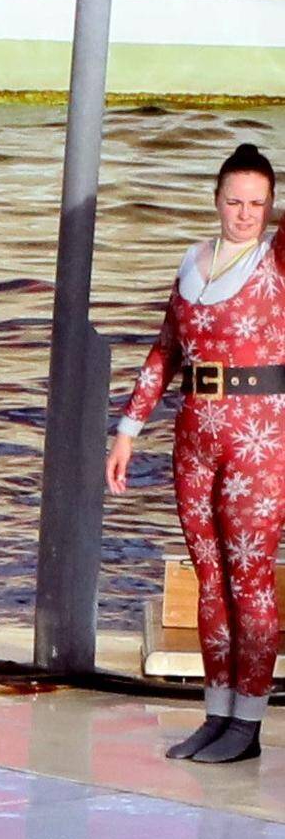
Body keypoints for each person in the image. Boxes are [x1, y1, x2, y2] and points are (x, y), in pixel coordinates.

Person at [107, 140, 283, 766]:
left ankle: (250, 720)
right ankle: (217, 711)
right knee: (209, 574)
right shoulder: (192, 260)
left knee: (250, 578)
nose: (244, 214)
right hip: (195, 431)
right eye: (234, 201)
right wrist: (127, 428)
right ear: (215, 201)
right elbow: (164, 352)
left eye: (257, 204)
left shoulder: (275, 259)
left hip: (259, 435)